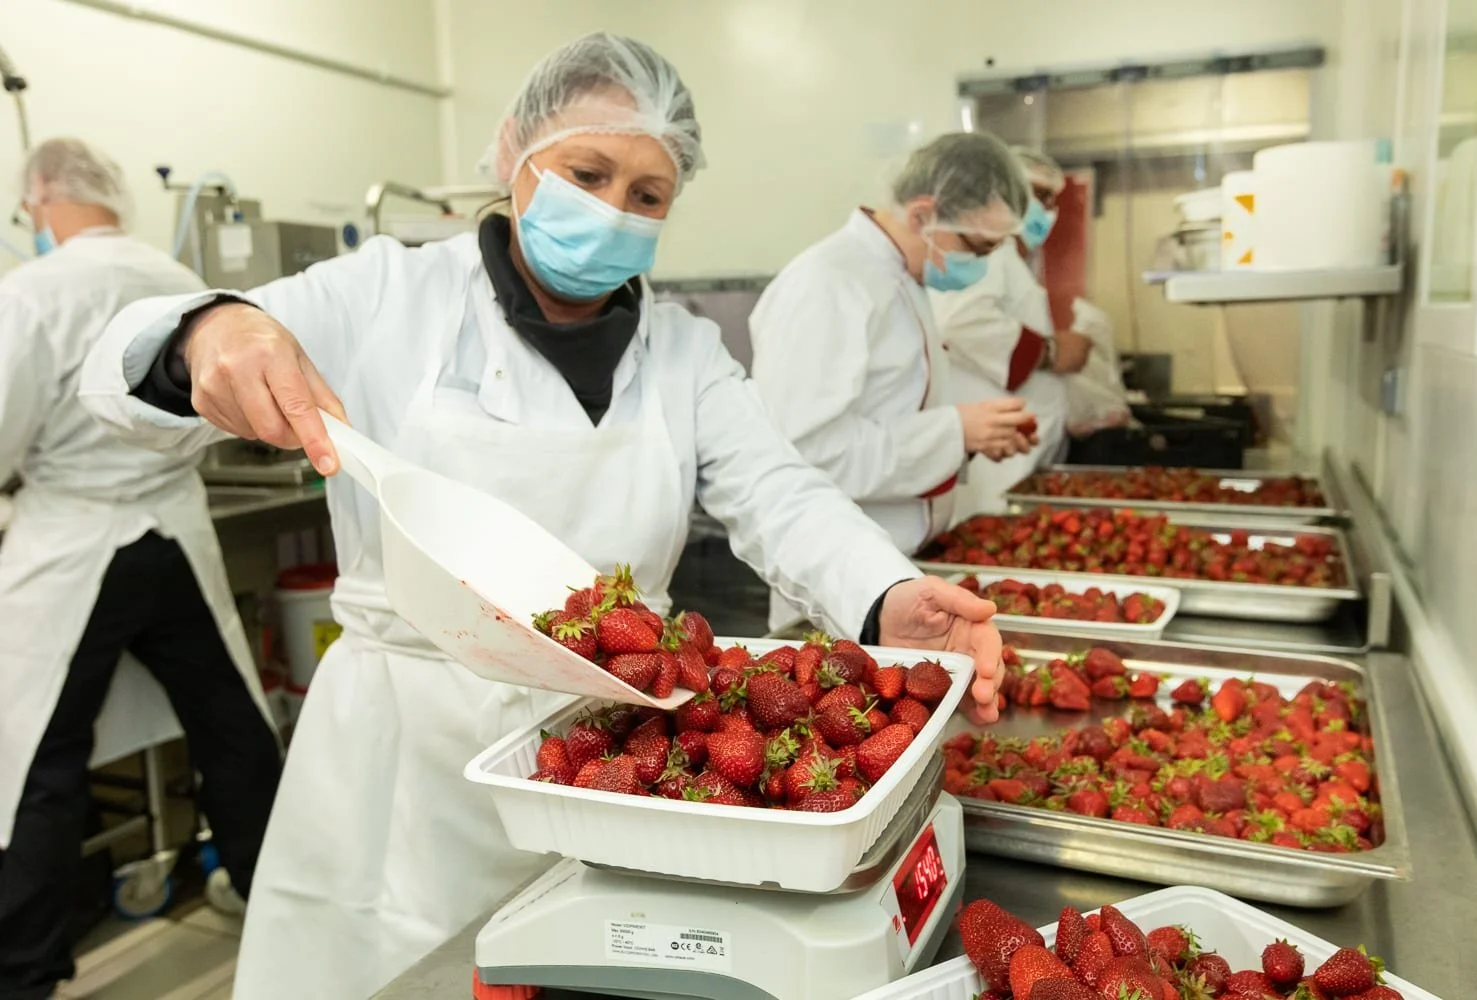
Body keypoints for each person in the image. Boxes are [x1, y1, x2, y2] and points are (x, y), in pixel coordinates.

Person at [78, 35, 1009, 999]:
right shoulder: (387, 292)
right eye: (588, 171)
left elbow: (781, 490)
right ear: (514, 151)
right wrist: (210, 331)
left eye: (647, 195)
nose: (613, 211)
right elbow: (114, 370)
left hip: (619, 756)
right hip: (404, 754)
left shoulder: (684, 352)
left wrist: (883, 593)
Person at [0, 139, 282, 1000]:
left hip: (71, 539)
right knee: (231, 725)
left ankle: (22, 971)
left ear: (40, 198)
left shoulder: (32, 292)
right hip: (175, 530)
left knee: (38, 755)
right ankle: (273, 897)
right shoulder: (179, 280)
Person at [748, 132, 1038, 632]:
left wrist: (971, 437)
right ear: (923, 215)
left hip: (902, 567)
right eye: (978, 246)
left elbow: (888, 413)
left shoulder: (903, 276)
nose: (983, 264)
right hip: (841, 587)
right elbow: (802, 455)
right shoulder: (827, 283)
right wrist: (953, 433)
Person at [928, 146, 1094, 520]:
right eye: (1036, 195)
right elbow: (962, 321)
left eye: (1052, 199)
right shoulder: (990, 253)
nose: (1046, 210)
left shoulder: (1012, 259)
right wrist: (1051, 352)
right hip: (995, 459)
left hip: (1017, 453)